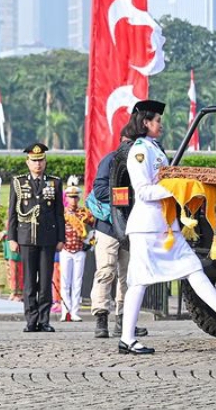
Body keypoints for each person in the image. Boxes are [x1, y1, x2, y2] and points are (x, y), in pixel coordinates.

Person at [118, 99, 216, 354]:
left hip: (165, 226)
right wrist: (177, 189)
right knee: (139, 282)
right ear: (146, 122)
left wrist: (181, 185)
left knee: (192, 268)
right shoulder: (140, 151)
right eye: (157, 120)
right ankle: (127, 338)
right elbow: (144, 191)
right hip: (147, 227)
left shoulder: (153, 148)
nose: (161, 125)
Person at [90, 128, 148, 339]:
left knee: (128, 276)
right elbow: (100, 190)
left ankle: (124, 319)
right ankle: (101, 317)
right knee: (105, 271)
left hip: (130, 226)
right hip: (108, 225)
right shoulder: (110, 160)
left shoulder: (140, 163)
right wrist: (130, 196)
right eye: (129, 143)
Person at [7, 143, 65, 333]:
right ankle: (31, 319)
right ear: (27, 162)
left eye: (40, 160)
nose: (38, 164)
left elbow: (59, 213)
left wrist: (60, 238)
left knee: (46, 281)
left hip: (48, 238)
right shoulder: (19, 182)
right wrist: (12, 238)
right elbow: (12, 214)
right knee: (30, 282)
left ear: (45, 161)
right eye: (34, 161)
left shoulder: (54, 182)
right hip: (26, 237)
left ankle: (44, 319)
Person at [58, 185, 93, 322]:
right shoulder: (63, 213)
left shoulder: (84, 213)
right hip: (66, 249)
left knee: (77, 282)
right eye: (70, 197)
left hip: (79, 249)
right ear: (66, 198)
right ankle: (65, 310)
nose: (73, 200)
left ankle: (75, 311)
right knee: (65, 282)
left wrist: (89, 241)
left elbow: (93, 226)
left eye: (75, 197)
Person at [0, 226, 23, 302]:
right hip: (10, 244)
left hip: (20, 242)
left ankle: (20, 293)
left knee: (20, 271)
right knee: (11, 271)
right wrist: (4, 232)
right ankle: (13, 292)